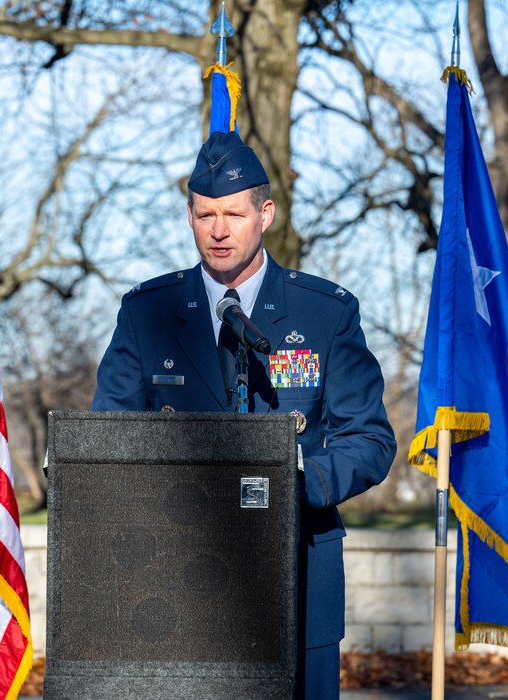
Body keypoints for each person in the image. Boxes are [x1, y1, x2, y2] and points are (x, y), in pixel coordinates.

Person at [91, 130, 396, 698]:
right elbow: (109, 437)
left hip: (297, 576)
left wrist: (298, 477)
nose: (220, 231)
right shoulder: (147, 312)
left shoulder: (325, 314)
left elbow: (370, 440)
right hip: (176, 582)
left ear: (266, 213)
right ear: (189, 216)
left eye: (234, 213)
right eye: (205, 215)